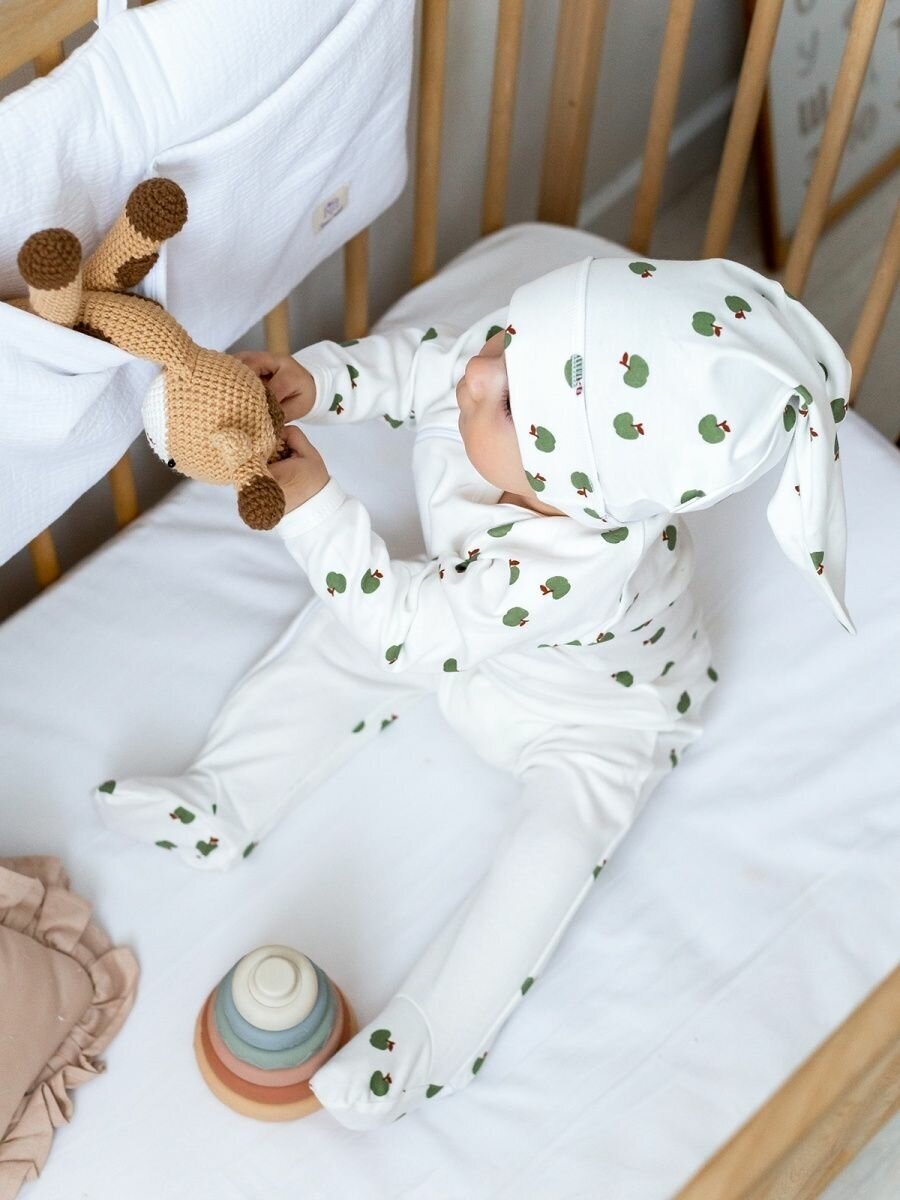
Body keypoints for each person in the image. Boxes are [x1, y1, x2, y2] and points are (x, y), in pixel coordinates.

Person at [93, 254, 854, 1130]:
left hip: (597, 720)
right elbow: (425, 364)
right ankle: (224, 797)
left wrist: (312, 508)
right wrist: (322, 381)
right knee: (332, 638)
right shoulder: (508, 376)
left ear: (573, 494)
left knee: (551, 853)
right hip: (477, 641)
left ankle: (428, 1042)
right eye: (510, 336)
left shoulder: (578, 563)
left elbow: (408, 628)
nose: (482, 369)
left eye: (512, 400)